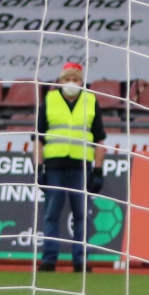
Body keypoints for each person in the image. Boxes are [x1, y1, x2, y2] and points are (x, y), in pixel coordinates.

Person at [35, 59, 107, 274]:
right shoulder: (49, 100)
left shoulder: (91, 101)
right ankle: (49, 259)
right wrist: (38, 168)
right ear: (60, 80)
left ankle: (80, 260)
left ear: (81, 81)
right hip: (54, 166)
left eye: (75, 79)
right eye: (67, 79)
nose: (71, 82)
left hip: (81, 167)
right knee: (51, 214)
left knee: (82, 215)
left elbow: (99, 140)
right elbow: (38, 138)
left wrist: (98, 170)